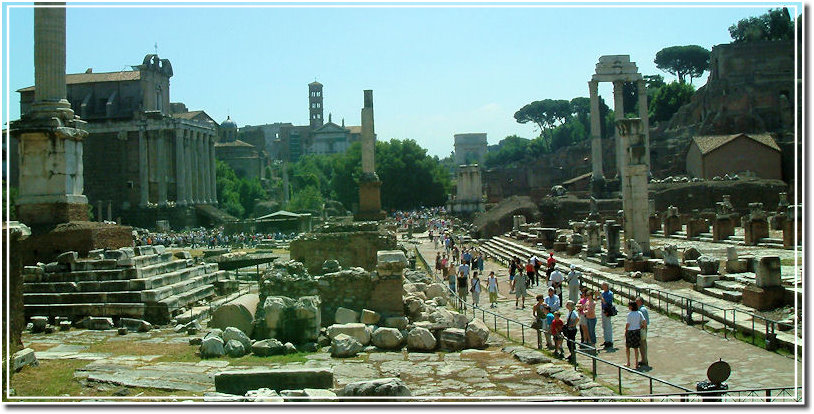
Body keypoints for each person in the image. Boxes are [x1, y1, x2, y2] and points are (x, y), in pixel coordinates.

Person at [625, 300, 647, 369]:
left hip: (630, 331)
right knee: (636, 348)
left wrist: (625, 330)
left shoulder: (629, 314)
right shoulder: (639, 313)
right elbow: (644, 321)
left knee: (628, 347)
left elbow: (628, 324)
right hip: (637, 331)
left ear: (631, 307)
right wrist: (642, 326)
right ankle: (636, 363)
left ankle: (628, 362)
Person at [636, 296, 650, 367]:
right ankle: (643, 359)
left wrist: (640, 327)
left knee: (642, 344)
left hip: (642, 329)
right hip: (642, 328)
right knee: (642, 345)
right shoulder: (641, 309)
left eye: (637, 301)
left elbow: (645, 322)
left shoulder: (642, 310)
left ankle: (644, 360)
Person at [600, 282, 615, 349]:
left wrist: (601, 296)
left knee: (608, 326)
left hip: (607, 310)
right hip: (603, 309)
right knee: (604, 326)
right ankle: (606, 340)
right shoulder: (603, 292)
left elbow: (606, 302)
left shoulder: (609, 293)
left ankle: (609, 341)